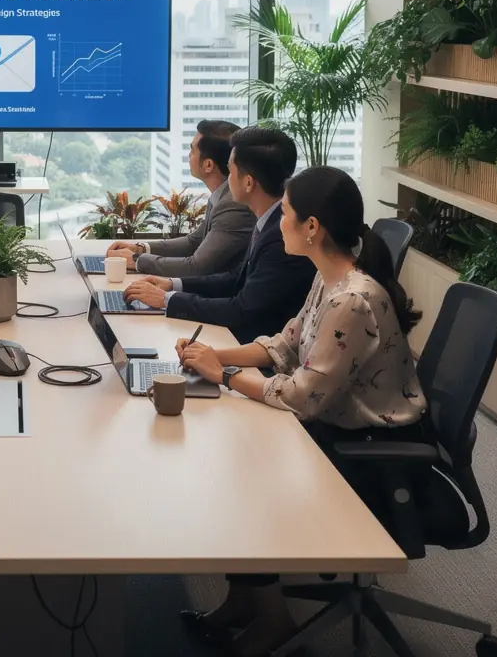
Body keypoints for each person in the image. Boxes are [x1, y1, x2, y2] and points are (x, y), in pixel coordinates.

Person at [176, 165, 427, 657]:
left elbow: (299, 396)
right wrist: (215, 356)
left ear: (313, 227)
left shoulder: (352, 300)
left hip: (368, 452)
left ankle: (273, 623)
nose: (278, 222)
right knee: (234, 457)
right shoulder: (327, 277)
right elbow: (284, 346)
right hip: (334, 429)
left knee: (242, 478)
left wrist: (219, 375)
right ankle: (244, 600)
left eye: (286, 214)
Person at [124, 126, 314, 342]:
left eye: (231, 171)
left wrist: (167, 299)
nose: (227, 179)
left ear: (249, 182)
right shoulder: (269, 221)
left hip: (255, 349)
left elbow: (241, 310)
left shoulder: (282, 235)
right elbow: (236, 279)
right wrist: (173, 285)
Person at [106, 119, 254, 277]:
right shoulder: (222, 195)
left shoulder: (232, 205)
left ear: (208, 165)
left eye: (192, 150)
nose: (189, 156)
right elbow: (194, 242)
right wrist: (140, 248)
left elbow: (196, 267)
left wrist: (137, 260)